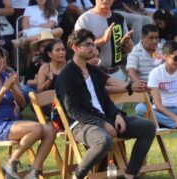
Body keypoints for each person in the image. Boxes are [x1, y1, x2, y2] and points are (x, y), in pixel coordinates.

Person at [57, 30, 157, 179]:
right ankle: (77, 176)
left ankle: (130, 174)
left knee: (148, 127)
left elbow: (105, 99)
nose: (93, 48)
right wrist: (101, 123)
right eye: (88, 45)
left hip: (106, 118)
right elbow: (73, 111)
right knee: (103, 140)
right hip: (81, 124)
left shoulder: (93, 71)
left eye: (93, 44)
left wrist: (117, 114)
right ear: (75, 47)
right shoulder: (66, 76)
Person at [0, 44, 55, 179]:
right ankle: (11, 162)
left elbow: (22, 104)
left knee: (50, 130)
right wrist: (3, 90)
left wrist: (13, 88)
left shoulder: (5, 76)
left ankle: (33, 172)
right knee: (36, 128)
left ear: (3, 59)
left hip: (12, 122)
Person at [75, 0, 134, 77]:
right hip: (93, 74)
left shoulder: (119, 18)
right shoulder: (85, 19)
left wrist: (126, 44)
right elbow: (79, 49)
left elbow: (130, 50)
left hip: (117, 72)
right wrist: (103, 40)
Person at [125, 24, 164, 91]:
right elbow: (131, 72)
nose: (155, 41)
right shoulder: (135, 51)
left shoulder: (162, 48)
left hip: (163, 87)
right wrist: (141, 85)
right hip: (144, 88)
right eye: (151, 38)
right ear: (142, 38)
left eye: (157, 37)